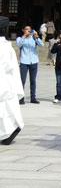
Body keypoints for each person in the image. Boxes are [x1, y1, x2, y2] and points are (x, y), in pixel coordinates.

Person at [1, 17, 24, 145]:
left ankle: (12, 129)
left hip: (4, 81)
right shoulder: (6, 47)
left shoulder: (6, 47)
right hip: (6, 81)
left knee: (6, 109)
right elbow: (12, 68)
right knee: (8, 108)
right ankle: (11, 130)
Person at [17, 25, 44, 104]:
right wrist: (24, 36)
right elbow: (19, 45)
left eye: (29, 30)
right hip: (24, 61)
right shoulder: (20, 38)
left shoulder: (34, 38)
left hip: (34, 60)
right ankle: (21, 98)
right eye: (26, 29)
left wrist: (37, 36)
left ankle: (33, 97)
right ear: (23, 30)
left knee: (33, 80)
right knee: (22, 80)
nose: (28, 31)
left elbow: (41, 45)